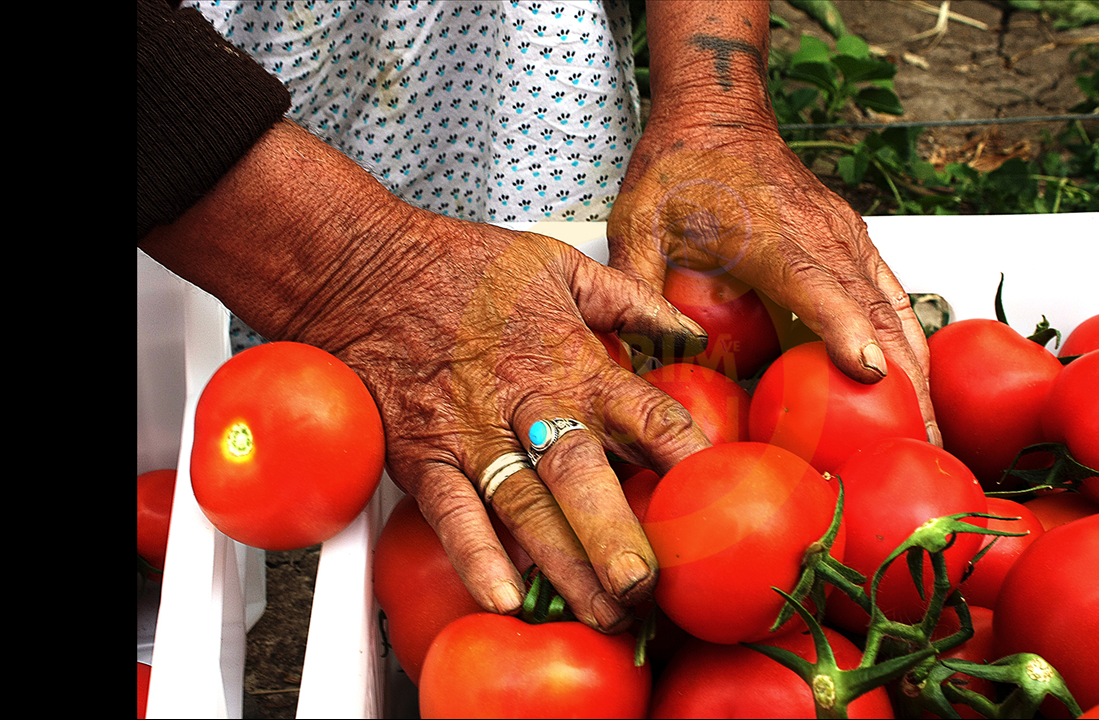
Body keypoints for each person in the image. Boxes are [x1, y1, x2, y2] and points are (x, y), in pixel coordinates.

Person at [138, 0, 937, 634]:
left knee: (554, 354)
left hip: (517, 58)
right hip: (182, 86)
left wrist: (712, 104)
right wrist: (360, 269)